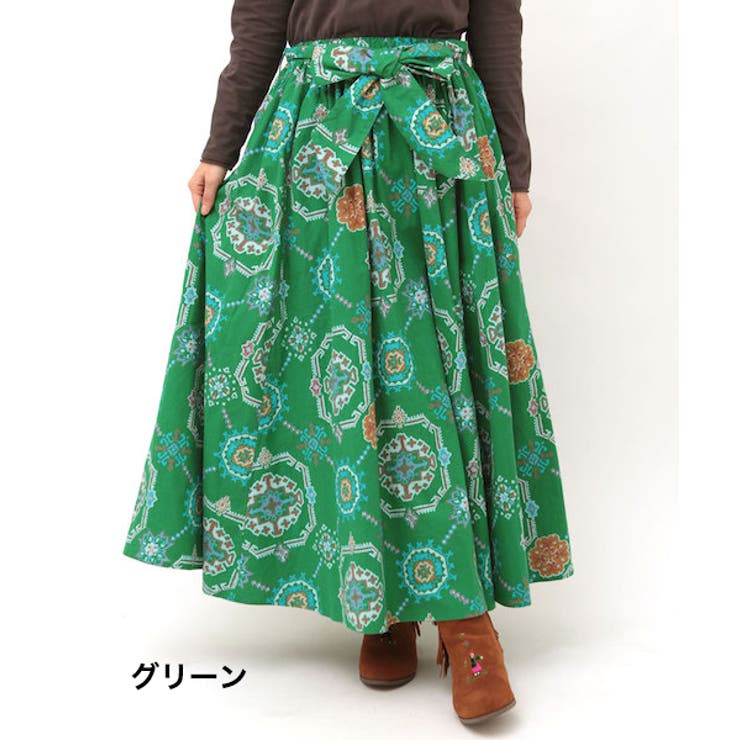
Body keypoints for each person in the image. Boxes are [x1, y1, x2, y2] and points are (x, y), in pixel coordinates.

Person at [122, 0, 574, 725]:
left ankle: (465, 621)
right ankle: (384, 601)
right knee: (346, 374)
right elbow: (260, 24)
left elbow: (496, 29)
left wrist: (514, 168)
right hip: (316, 135)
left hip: (436, 134)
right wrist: (221, 147)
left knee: (428, 371)